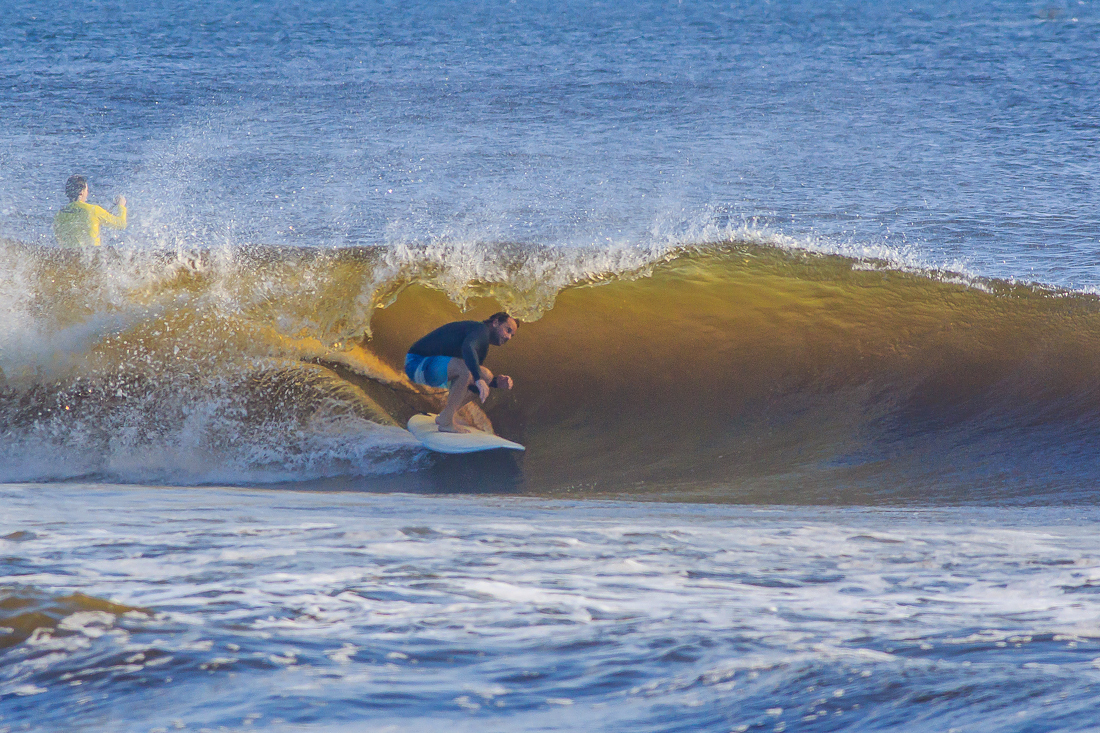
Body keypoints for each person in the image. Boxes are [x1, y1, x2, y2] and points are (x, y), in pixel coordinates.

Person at [405, 312, 517, 433]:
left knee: (486, 376)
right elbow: (468, 347)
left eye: (512, 335)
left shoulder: (482, 343)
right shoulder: (480, 329)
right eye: (508, 330)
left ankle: (445, 416)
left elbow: (473, 380)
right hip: (417, 363)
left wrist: (495, 382)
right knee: (466, 371)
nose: (509, 337)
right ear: (495, 323)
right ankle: (446, 422)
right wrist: (478, 379)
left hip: (432, 367)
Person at [53, 174, 127, 248]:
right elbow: (121, 224)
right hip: (91, 256)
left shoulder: (59, 214)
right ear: (82, 192)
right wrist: (121, 206)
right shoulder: (93, 210)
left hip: (68, 257)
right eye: (87, 190)